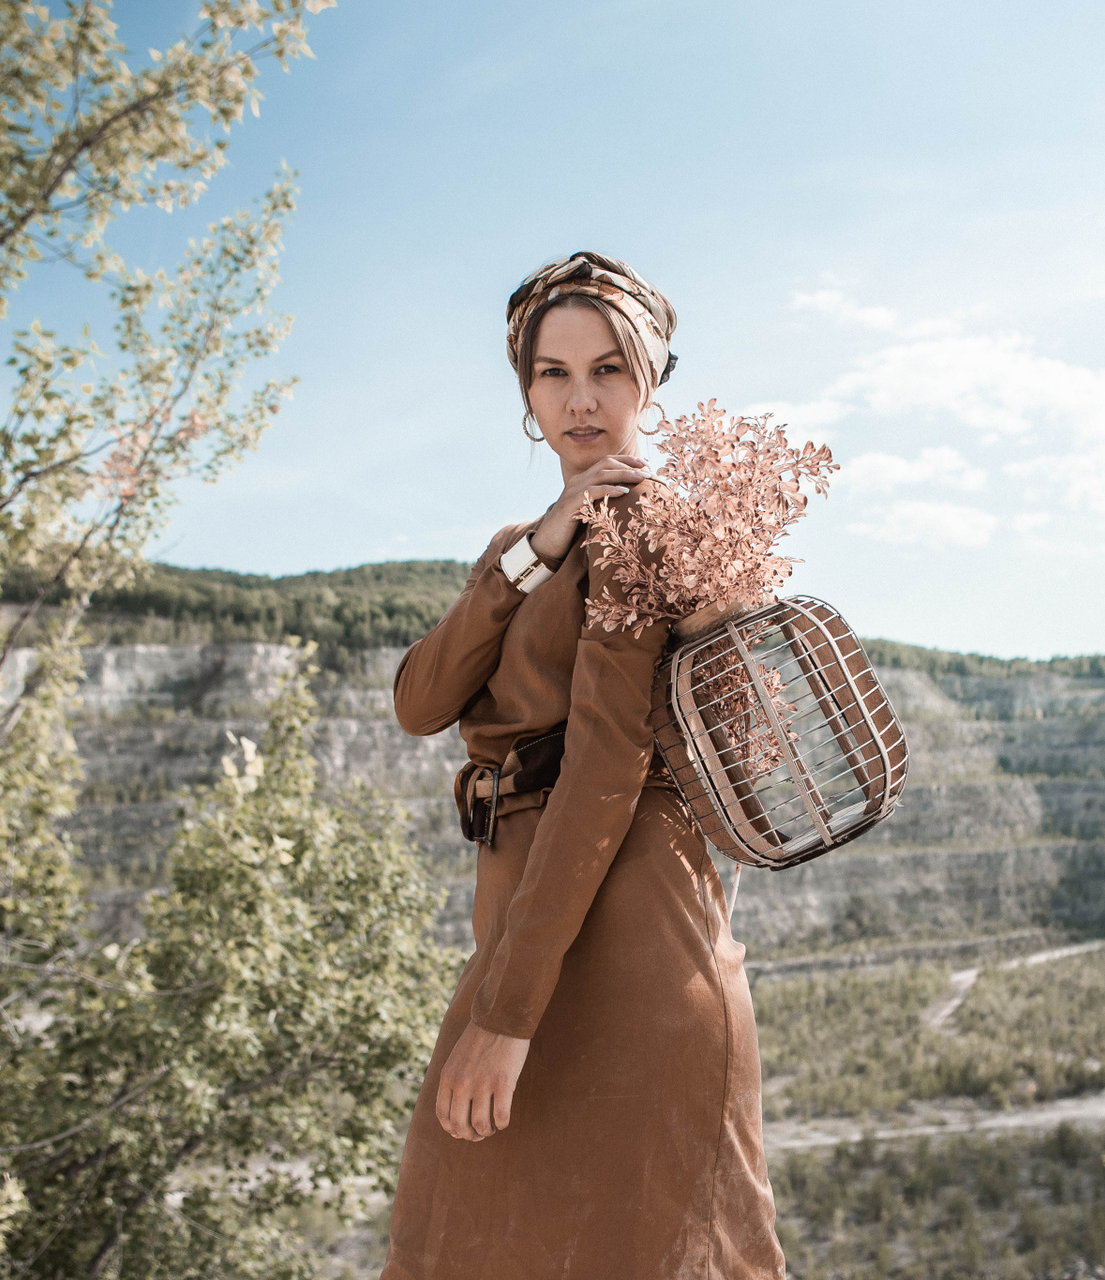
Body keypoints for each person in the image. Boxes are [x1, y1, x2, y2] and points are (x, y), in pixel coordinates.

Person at [379, 252, 785, 1278]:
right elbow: (421, 700)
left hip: (633, 949)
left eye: (608, 370)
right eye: (553, 373)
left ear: (649, 380)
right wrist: (537, 550)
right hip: (533, 935)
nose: (581, 400)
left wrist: (504, 1015)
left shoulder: (650, 525)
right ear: (526, 392)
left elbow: (604, 768)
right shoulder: (528, 544)